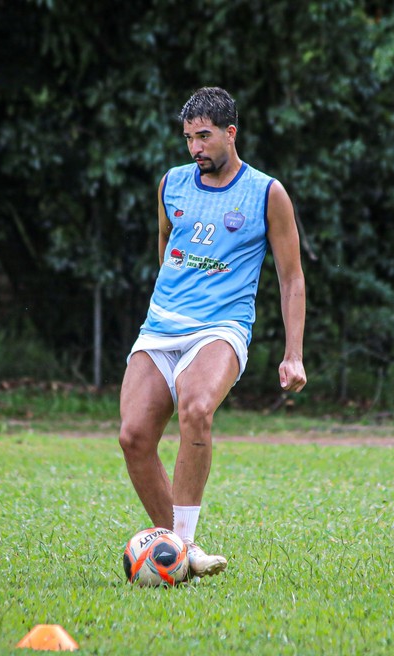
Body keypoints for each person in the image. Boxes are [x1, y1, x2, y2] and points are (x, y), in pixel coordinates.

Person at [119, 87, 307, 579]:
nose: (195, 148)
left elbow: (291, 278)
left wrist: (294, 354)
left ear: (230, 133)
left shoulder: (268, 193)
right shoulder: (171, 185)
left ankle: (178, 544)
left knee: (197, 407)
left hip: (221, 328)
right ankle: (184, 551)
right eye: (188, 138)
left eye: (204, 136)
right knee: (134, 437)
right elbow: (165, 239)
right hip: (162, 326)